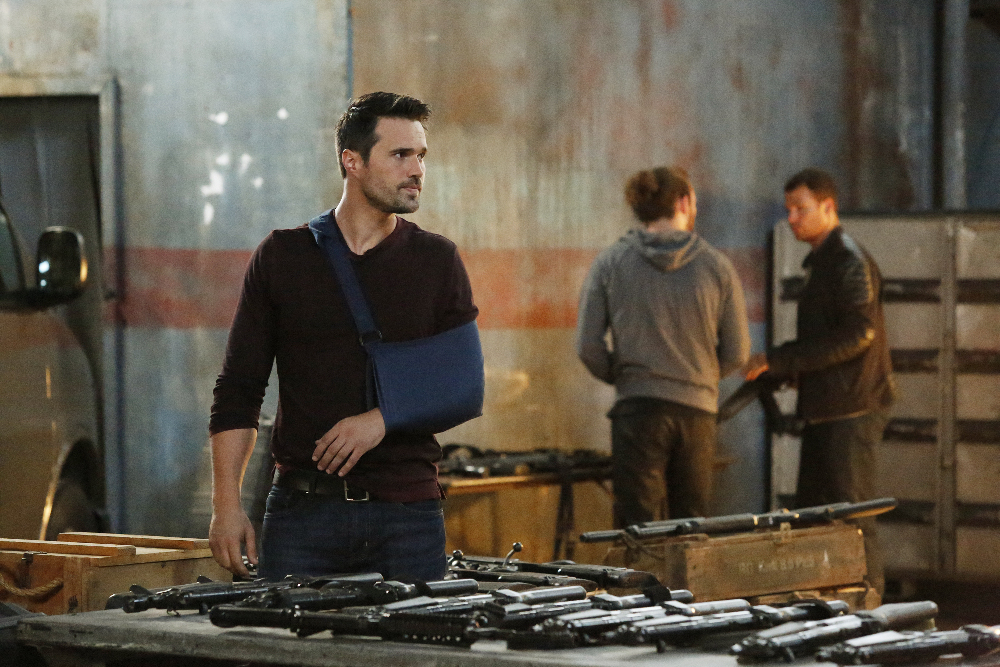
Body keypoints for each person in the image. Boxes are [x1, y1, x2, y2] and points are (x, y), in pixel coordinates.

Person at [207, 92, 478, 582]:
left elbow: (463, 384)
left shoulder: (436, 260)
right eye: (401, 155)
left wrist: (382, 419)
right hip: (304, 514)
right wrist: (226, 506)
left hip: (408, 517)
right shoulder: (283, 257)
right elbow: (239, 389)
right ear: (352, 161)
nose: (417, 170)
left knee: (415, 636)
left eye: (421, 156)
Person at [744, 167, 895, 595]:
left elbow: (859, 334)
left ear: (828, 207)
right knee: (813, 515)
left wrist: (786, 361)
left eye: (801, 209)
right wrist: (784, 366)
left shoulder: (848, 260)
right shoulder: (825, 261)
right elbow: (826, 337)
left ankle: (871, 602)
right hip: (828, 409)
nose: (791, 218)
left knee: (853, 516)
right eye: (788, 210)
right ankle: (821, 602)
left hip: (851, 410)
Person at [576, 166, 751, 527]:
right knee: (690, 528)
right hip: (697, 413)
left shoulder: (610, 262)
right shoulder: (717, 266)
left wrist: (626, 376)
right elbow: (737, 353)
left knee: (637, 529)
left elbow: (588, 347)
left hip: (637, 412)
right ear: (684, 202)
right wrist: (699, 375)